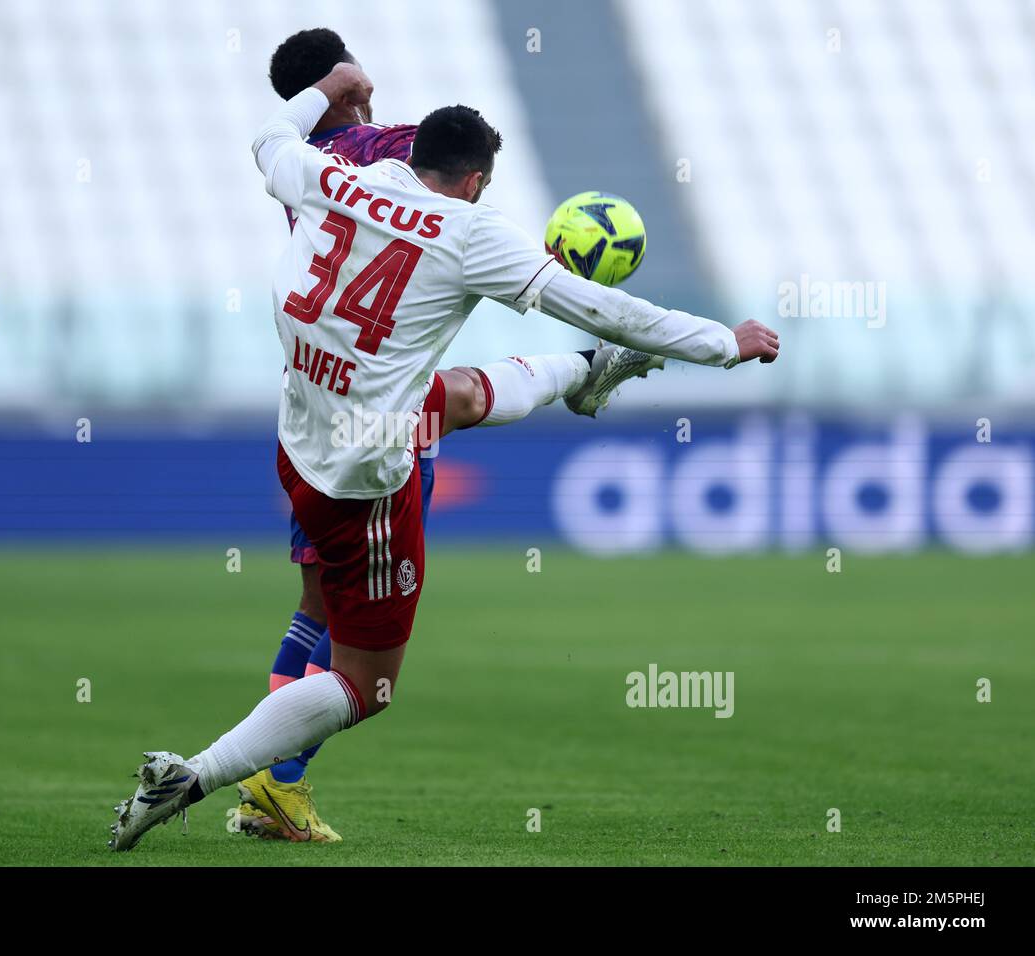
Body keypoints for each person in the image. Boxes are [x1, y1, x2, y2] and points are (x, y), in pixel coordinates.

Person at [110, 62, 778, 851]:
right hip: (365, 482)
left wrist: (330, 85)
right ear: (475, 182)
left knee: (453, 396)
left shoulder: (330, 177)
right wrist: (722, 345)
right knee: (366, 682)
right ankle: (193, 775)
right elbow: (603, 304)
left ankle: (582, 374)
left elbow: (267, 137)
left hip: (303, 435)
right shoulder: (468, 230)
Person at [237, 28, 663, 843]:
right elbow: (449, 168)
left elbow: (289, 145)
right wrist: (533, 260)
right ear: (330, 97)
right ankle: (275, 778)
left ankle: (276, 782)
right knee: (355, 628)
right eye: (351, 90)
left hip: (319, 401)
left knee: (322, 591)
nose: (368, 100)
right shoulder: (370, 151)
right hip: (374, 423)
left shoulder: (309, 176)